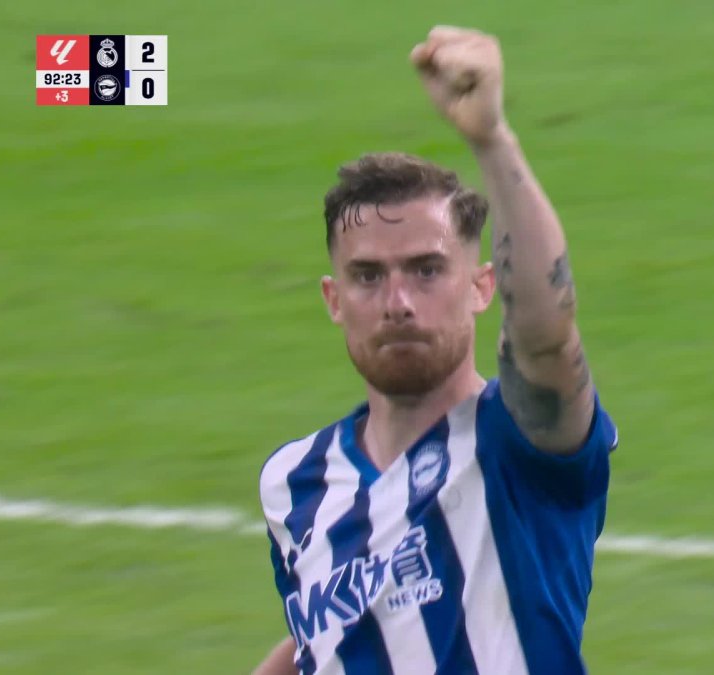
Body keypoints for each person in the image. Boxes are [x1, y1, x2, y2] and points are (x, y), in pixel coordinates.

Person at [252, 25, 618, 675]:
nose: (398, 301)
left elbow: (546, 334)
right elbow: (326, 638)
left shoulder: (518, 443)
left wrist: (491, 139)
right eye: (368, 276)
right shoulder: (294, 482)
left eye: (427, 270)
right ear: (334, 299)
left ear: (481, 286)